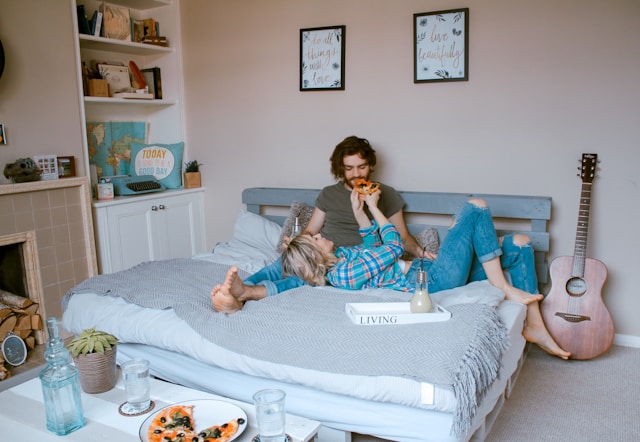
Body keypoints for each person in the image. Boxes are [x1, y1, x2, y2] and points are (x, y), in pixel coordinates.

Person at [214, 187, 571, 360]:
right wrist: (374, 208)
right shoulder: (345, 275)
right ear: (315, 256)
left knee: (522, 242)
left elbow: (372, 240)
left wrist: (363, 213)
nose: (321, 234)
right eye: (318, 238)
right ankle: (501, 285)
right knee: (476, 207)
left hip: (430, 267)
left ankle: (533, 323)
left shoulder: (346, 255)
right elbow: (391, 246)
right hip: (431, 279)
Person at [212, 135, 424, 311]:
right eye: (349, 168)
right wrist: (296, 243)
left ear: (370, 166)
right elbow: (311, 230)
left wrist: (421, 252)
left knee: (303, 280)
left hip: (350, 261)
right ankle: (237, 291)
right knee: (282, 265)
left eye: (361, 167)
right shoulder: (329, 194)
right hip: (322, 251)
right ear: (340, 169)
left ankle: (249, 294)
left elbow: (402, 237)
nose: (356, 174)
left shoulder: (384, 194)